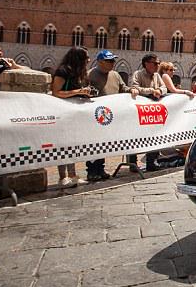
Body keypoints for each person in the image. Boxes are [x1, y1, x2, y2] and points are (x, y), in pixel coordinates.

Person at [86, 50, 139, 181]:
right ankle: (92, 171)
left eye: (113, 60)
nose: (112, 63)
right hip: (95, 115)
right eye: (109, 61)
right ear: (99, 62)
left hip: (111, 116)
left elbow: (123, 88)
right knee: (94, 144)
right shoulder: (90, 75)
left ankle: (101, 168)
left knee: (103, 143)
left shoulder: (115, 75)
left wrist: (131, 89)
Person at [51, 47, 92, 188]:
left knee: (73, 144)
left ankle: (73, 175)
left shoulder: (79, 73)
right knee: (63, 145)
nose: (88, 60)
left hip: (74, 112)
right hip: (62, 112)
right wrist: (78, 91)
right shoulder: (63, 71)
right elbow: (56, 92)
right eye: (86, 57)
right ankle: (63, 177)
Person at [130, 53, 168, 172]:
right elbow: (135, 88)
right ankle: (132, 164)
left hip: (153, 113)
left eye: (158, 63)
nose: (157, 65)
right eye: (155, 63)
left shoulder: (157, 75)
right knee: (136, 137)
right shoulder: (138, 74)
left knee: (155, 135)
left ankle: (151, 162)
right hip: (140, 112)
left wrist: (159, 90)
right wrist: (152, 91)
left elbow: (164, 88)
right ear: (146, 64)